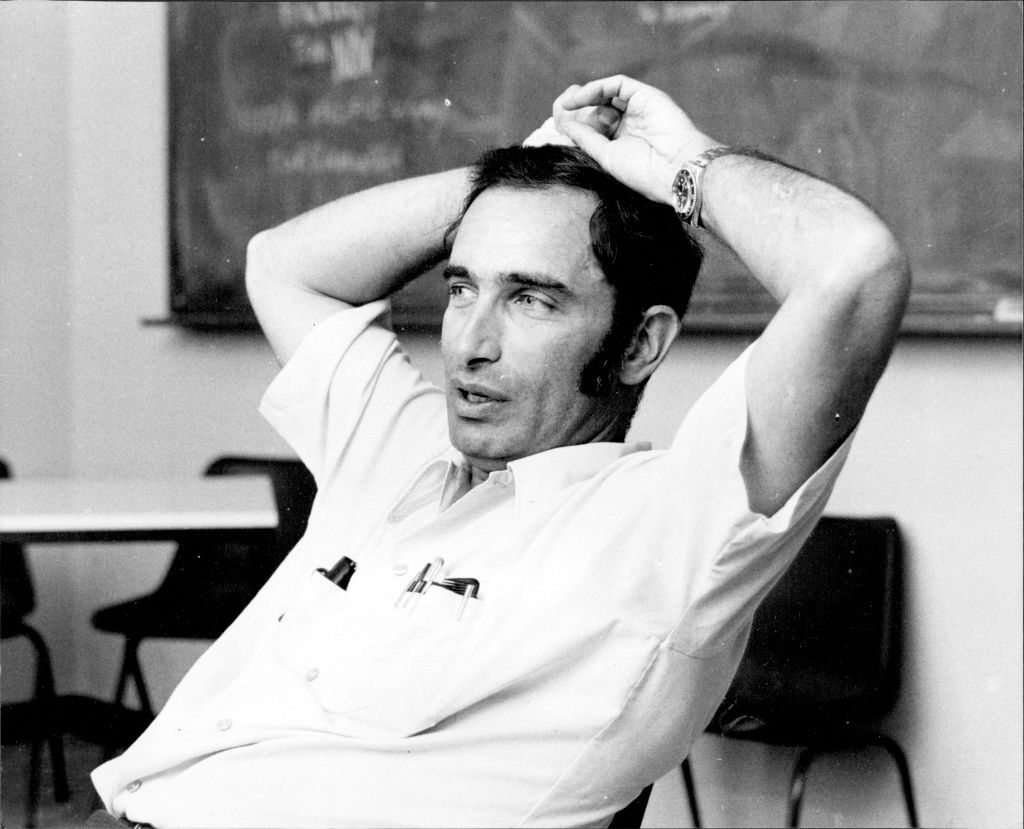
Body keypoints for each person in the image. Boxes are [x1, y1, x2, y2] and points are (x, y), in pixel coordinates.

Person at [90, 75, 909, 828]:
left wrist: (680, 166)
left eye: (530, 299)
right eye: (461, 288)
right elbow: (282, 265)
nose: (469, 343)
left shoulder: (667, 530)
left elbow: (855, 270)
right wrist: (527, 171)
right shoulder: (398, 448)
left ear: (639, 345)